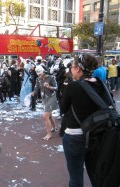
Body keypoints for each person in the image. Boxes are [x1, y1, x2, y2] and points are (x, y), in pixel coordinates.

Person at [61, 54, 110, 187]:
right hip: (98, 136)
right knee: (96, 174)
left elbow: (63, 109)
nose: (70, 70)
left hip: (75, 136)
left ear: (78, 69)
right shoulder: (102, 84)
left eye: (72, 67)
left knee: (76, 177)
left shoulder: (73, 86)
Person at [32, 66, 58, 140]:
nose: (39, 75)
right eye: (37, 73)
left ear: (43, 71)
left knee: (45, 116)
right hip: (44, 98)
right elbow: (36, 87)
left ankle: (49, 134)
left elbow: (56, 88)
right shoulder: (38, 79)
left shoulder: (51, 77)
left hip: (51, 97)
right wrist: (34, 92)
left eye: (40, 73)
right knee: (49, 115)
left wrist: (49, 86)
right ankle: (54, 127)